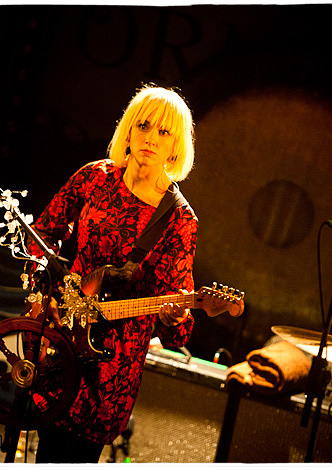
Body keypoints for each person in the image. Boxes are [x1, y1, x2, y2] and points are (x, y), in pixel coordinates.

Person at [26, 84, 244, 463]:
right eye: (144, 126)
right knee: (46, 449)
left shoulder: (179, 219)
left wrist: (173, 316)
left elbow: (178, 329)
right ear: (129, 129)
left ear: (176, 146)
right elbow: (42, 233)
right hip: (63, 332)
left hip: (112, 364)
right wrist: (42, 292)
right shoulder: (95, 177)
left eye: (164, 132)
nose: (151, 138)